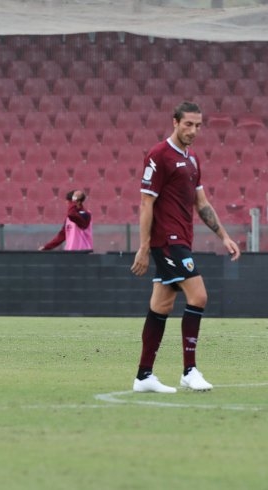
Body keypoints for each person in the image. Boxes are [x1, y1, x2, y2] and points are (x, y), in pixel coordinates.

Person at [130, 101, 240, 394]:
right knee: (199, 295)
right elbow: (146, 203)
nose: (193, 130)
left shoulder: (192, 160)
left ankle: (144, 376)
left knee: (161, 306)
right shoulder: (158, 156)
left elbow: (201, 204)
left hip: (182, 240)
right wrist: (143, 247)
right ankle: (189, 371)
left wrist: (224, 236)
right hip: (168, 241)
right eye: (188, 124)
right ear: (175, 122)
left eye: (198, 125)